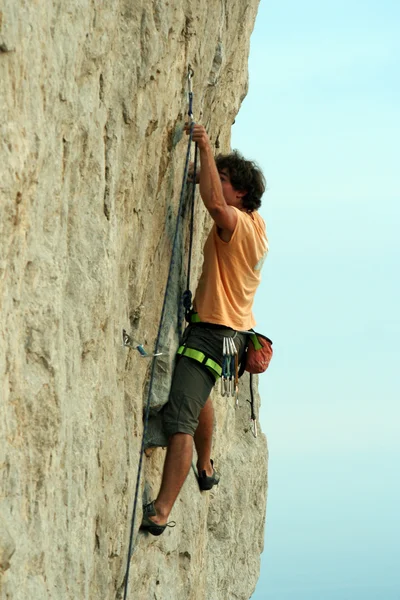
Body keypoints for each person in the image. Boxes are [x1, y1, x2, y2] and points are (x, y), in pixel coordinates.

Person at [140, 124, 268, 536]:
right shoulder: (258, 226)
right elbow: (216, 191)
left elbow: (214, 204)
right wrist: (206, 171)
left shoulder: (237, 225)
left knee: (182, 418)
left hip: (212, 334)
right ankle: (206, 465)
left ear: (241, 194)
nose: (219, 183)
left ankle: (160, 511)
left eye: (227, 180)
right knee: (201, 395)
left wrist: (206, 147)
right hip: (231, 337)